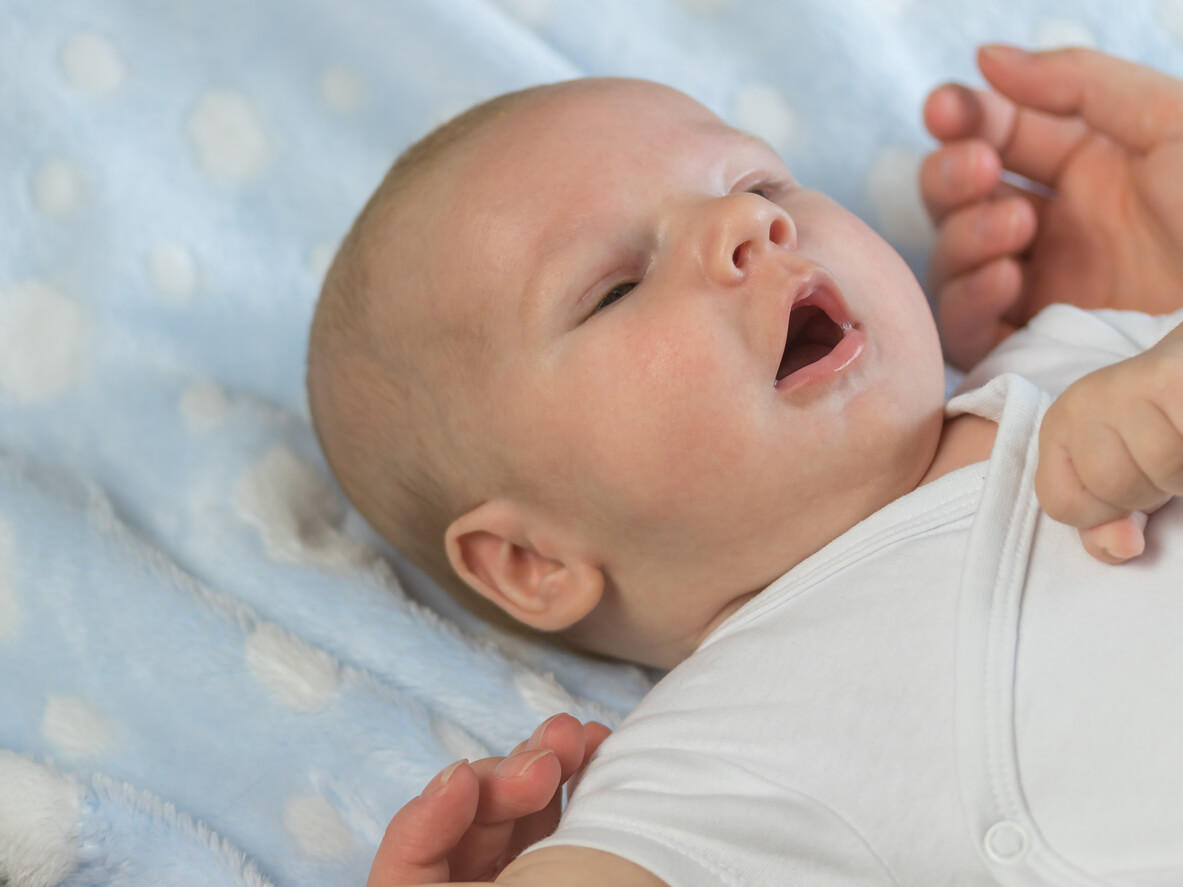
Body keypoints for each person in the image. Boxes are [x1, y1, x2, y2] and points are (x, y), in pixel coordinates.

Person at [306, 45, 1183, 887]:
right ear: (532, 561)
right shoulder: (700, 760)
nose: (749, 222)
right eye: (617, 287)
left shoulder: (1084, 348)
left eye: (758, 184)